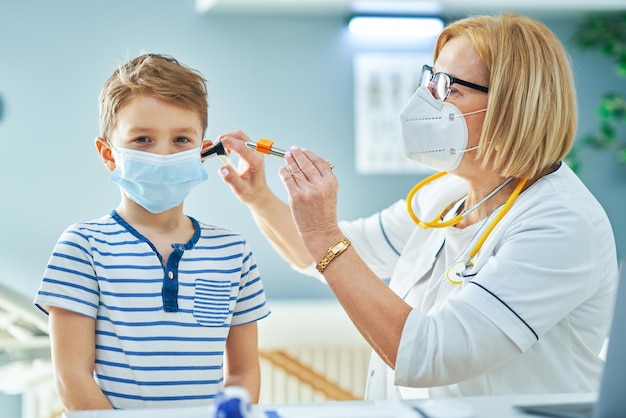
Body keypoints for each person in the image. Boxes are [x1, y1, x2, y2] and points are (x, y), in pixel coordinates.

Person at [214, 13, 619, 400]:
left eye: (448, 87)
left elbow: (431, 354)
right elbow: (332, 257)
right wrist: (261, 198)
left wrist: (324, 233)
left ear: (510, 108)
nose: (424, 99)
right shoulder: (446, 195)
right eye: (430, 78)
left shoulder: (562, 224)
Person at [34, 53, 270, 410]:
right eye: (143, 139)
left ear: (202, 152)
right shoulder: (82, 248)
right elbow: (72, 378)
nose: (163, 154)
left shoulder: (233, 252)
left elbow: (244, 372)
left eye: (180, 140)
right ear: (108, 154)